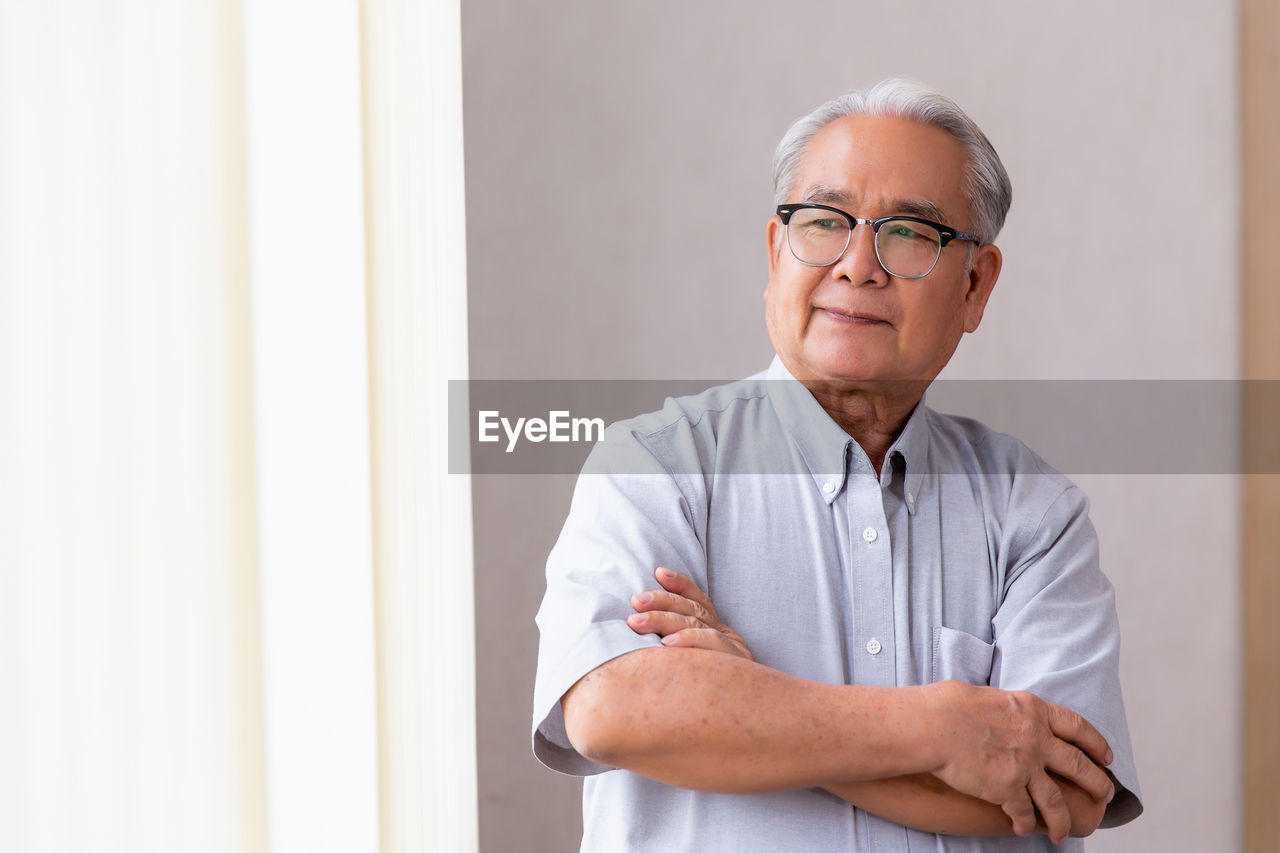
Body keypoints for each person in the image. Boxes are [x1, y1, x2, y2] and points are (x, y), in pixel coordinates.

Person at [531, 79, 1142, 851]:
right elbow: (614, 711)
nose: (857, 264)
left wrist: (746, 704)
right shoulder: (656, 465)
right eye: (823, 222)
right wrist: (947, 727)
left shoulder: (1032, 510)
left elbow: (1065, 791)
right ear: (774, 251)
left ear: (975, 286)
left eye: (909, 234)